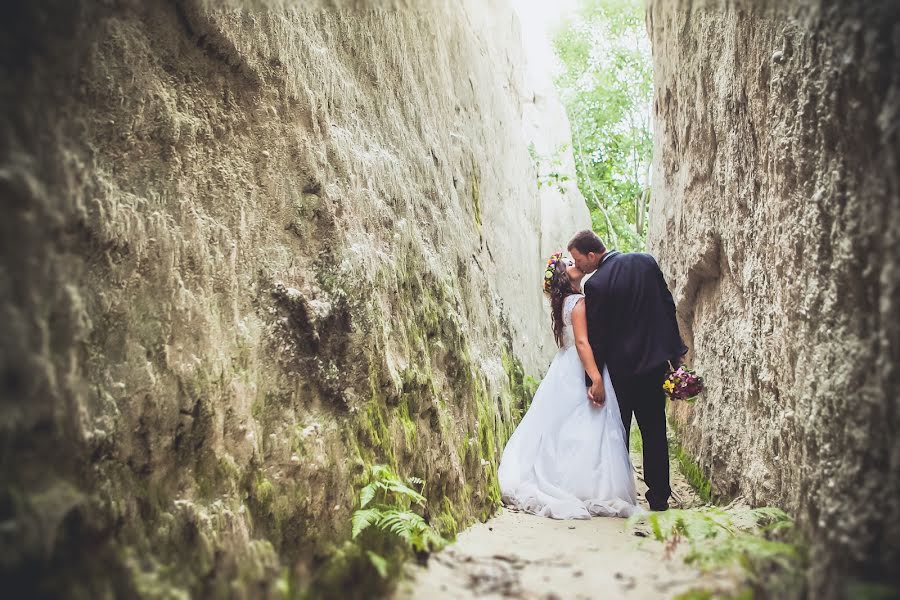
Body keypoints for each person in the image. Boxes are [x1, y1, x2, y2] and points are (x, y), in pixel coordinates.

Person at [497, 252, 639, 519]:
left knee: (561, 428)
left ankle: (565, 478)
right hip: (579, 366)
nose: (576, 265)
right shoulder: (578, 302)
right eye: (570, 264)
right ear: (564, 275)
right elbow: (583, 343)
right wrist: (596, 378)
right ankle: (585, 486)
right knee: (589, 423)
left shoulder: (562, 302)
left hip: (563, 367)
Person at [567, 230, 688, 511]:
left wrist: (593, 380)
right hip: (653, 366)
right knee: (655, 430)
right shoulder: (646, 262)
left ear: (592, 254)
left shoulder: (596, 284)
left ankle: (621, 495)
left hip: (619, 373)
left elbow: (596, 337)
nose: (579, 266)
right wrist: (675, 355)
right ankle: (659, 497)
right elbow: (667, 308)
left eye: (579, 259)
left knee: (617, 432)